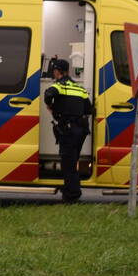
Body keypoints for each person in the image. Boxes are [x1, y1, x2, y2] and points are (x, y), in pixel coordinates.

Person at [43, 58, 92, 204]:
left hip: (69, 131)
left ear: (57, 71)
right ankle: (72, 191)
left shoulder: (59, 85)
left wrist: (51, 107)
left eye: (54, 71)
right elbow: (88, 109)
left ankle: (72, 195)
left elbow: (48, 94)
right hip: (81, 130)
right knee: (73, 161)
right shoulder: (80, 88)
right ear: (67, 71)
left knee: (68, 164)